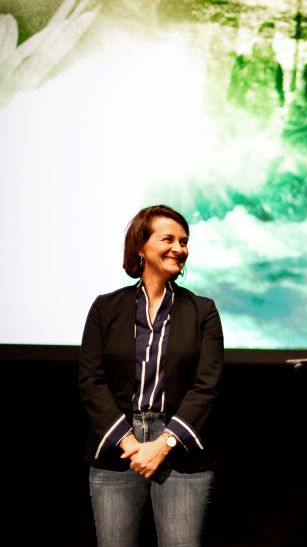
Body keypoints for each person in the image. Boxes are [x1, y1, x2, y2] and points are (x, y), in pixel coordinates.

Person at [79, 204, 224, 547]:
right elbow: (91, 380)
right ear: (140, 247)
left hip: (180, 447)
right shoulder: (105, 308)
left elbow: (207, 385)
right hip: (118, 446)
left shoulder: (203, 310)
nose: (179, 248)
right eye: (168, 239)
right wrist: (130, 443)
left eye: (184, 242)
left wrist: (163, 444)